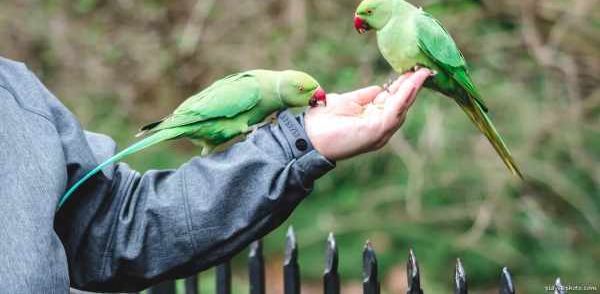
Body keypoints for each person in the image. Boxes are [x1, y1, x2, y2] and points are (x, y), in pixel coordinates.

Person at [0, 56, 431, 292]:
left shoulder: (15, 93)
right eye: (307, 93)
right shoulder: (248, 89)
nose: (313, 95)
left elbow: (119, 226)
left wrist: (301, 141)